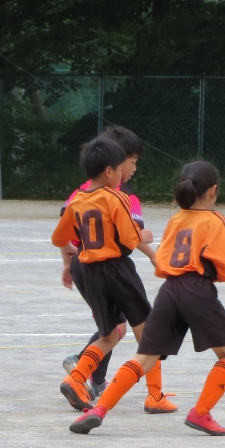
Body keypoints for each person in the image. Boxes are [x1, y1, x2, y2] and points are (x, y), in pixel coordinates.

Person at [70, 161, 225, 435]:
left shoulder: (175, 220)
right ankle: (200, 413)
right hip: (198, 290)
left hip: (169, 291)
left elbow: (162, 262)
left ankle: (98, 409)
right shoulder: (216, 219)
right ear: (213, 190)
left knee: (144, 358)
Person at [52, 138, 159, 412]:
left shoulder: (77, 200)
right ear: (110, 171)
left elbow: (59, 238)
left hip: (90, 272)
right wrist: (145, 235)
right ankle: (155, 396)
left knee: (109, 334)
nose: (124, 173)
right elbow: (130, 238)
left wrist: (74, 245)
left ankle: (76, 378)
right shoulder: (117, 197)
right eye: (122, 167)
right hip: (117, 270)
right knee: (146, 331)